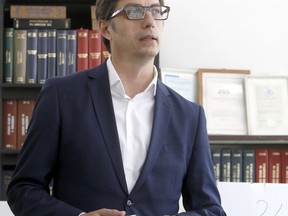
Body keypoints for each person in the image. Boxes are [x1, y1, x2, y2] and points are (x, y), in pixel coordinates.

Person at [7, 0, 226, 215]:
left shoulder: (189, 115)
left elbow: (211, 209)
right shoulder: (61, 95)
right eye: (135, 11)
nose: (150, 21)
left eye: (157, 11)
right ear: (105, 28)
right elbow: (23, 189)